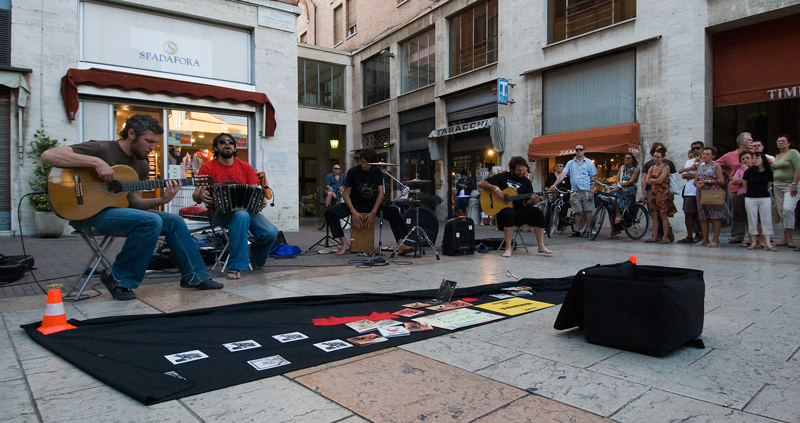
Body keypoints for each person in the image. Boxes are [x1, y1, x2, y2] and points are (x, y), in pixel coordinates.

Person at [40, 114, 222, 300]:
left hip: (117, 214)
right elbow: (48, 155)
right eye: (149, 141)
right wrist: (96, 162)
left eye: (155, 143)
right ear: (132, 133)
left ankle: (195, 276)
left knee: (174, 221)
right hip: (87, 214)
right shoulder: (102, 148)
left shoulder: (142, 165)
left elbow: (136, 203)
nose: (152, 147)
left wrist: (163, 200)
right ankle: (119, 278)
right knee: (150, 221)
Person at [193, 133, 279, 280]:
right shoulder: (207, 168)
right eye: (223, 142)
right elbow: (196, 195)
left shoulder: (245, 167)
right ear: (216, 147)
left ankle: (256, 258)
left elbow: (253, 191)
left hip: (247, 211)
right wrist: (203, 196)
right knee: (241, 215)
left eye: (231, 142)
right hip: (219, 212)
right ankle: (235, 266)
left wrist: (258, 201)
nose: (227, 144)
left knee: (271, 232)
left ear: (234, 147)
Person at [323, 149, 413, 255]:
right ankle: (344, 243)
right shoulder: (352, 172)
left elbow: (380, 193)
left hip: (372, 204)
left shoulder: (378, 172)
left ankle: (401, 244)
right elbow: (345, 193)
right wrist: (353, 212)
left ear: (372, 163)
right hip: (355, 204)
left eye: (367, 163)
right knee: (329, 212)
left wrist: (374, 212)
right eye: (362, 162)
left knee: (393, 211)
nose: (364, 165)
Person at [479, 156, 552, 257]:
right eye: (518, 170)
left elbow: (528, 201)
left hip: (521, 211)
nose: (521, 172)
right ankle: (508, 248)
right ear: (512, 169)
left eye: (523, 170)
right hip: (505, 212)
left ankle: (541, 245)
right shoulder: (503, 176)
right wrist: (495, 188)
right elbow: (481, 183)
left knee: (537, 213)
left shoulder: (526, 182)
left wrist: (534, 200)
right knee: (509, 213)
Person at [549, 144, 598, 238]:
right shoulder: (571, 163)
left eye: (580, 149)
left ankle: (588, 230)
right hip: (575, 190)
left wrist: (592, 191)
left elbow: (593, 177)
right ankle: (577, 230)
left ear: (584, 151)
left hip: (586, 189)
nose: (578, 151)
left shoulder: (588, 163)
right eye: (577, 150)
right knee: (577, 211)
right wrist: (555, 184)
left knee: (588, 210)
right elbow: (563, 174)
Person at [715, 132, 753, 244]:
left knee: (752, 212)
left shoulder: (755, 154)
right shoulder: (730, 155)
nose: (751, 142)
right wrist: (727, 173)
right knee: (737, 213)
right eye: (749, 140)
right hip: (735, 187)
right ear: (742, 141)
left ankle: (755, 236)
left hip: (751, 187)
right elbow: (716, 164)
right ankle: (738, 235)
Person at [640, 142, 677, 242]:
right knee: (654, 215)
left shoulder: (666, 167)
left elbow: (660, 180)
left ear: (662, 157)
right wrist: (653, 182)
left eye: (657, 157)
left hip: (662, 193)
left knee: (663, 215)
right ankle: (654, 236)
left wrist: (653, 181)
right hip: (653, 193)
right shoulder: (651, 167)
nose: (655, 159)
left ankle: (664, 237)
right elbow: (646, 180)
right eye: (654, 157)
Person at [694, 147, 729, 247]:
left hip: (712, 191)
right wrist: (697, 183)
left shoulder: (716, 166)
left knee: (715, 215)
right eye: (703, 154)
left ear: (713, 156)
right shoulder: (700, 167)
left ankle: (715, 239)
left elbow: (721, 180)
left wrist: (708, 181)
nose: (704, 156)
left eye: (707, 154)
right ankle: (704, 238)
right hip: (701, 192)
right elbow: (695, 181)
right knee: (702, 216)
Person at [771, 134, 800, 250]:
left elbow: (798, 168)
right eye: (778, 141)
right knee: (781, 211)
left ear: (789, 143)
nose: (780, 143)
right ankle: (784, 237)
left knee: (788, 209)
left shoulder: (793, 153)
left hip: (790, 185)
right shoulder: (777, 155)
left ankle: (790, 237)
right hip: (777, 186)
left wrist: (794, 184)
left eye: (783, 141)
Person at [742, 152, 775, 251]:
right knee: (752, 218)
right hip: (750, 197)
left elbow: (769, 185)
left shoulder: (768, 171)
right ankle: (753, 241)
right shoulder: (748, 172)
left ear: (763, 159)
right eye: (753, 158)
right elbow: (745, 184)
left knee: (766, 218)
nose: (755, 160)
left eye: (757, 157)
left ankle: (767, 242)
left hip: (764, 197)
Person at [677, 141, 705, 243]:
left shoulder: (707, 161)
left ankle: (702, 235)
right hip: (690, 191)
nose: (696, 150)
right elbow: (684, 175)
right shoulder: (690, 162)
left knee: (702, 214)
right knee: (688, 213)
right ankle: (689, 235)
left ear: (702, 149)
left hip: (703, 191)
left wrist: (695, 175)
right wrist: (697, 172)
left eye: (697, 148)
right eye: (693, 149)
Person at [608, 153, 640, 238]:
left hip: (629, 188)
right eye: (625, 158)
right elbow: (617, 179)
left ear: (633, 160)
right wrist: (619, 184)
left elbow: (631, 181)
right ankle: (613, 229)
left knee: (618, 193)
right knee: (611, 197)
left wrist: (621, 185)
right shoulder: (622, 168)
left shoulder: (636, 169)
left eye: (628, 158)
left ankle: (619, 213)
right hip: (620, 187)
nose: (626, 160)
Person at [729, 151, 752, 244]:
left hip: (753, 195)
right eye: (743, 159)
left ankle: (756, 238)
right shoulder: (739, 171)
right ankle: (749, 238)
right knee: (743, 217)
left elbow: (755, 179)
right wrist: (746, 180)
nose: (745, 160)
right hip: (741, 194)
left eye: (747, 158)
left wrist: (747, 173)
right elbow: (734, 181)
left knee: (753, 217)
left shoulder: (756, 169)